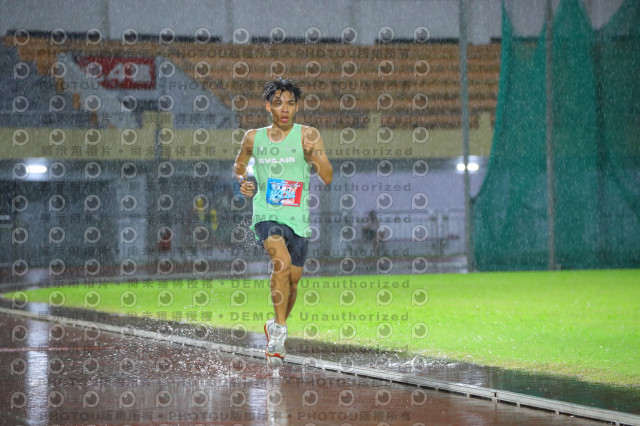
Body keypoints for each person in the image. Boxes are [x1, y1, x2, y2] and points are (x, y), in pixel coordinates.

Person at [233, 77, 333, 367]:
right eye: (278, 103)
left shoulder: (308, 135)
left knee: (293, 281)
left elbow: (327, 176)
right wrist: (243, 180)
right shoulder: (254, 137)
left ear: (297, 106)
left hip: (298, 218)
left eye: (290, 103)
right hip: (266, 212)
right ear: (268, 107)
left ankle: (275, 325)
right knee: (281, 263)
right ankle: (279, 335)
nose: (285, 109)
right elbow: (240, 164)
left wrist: (312, 155)